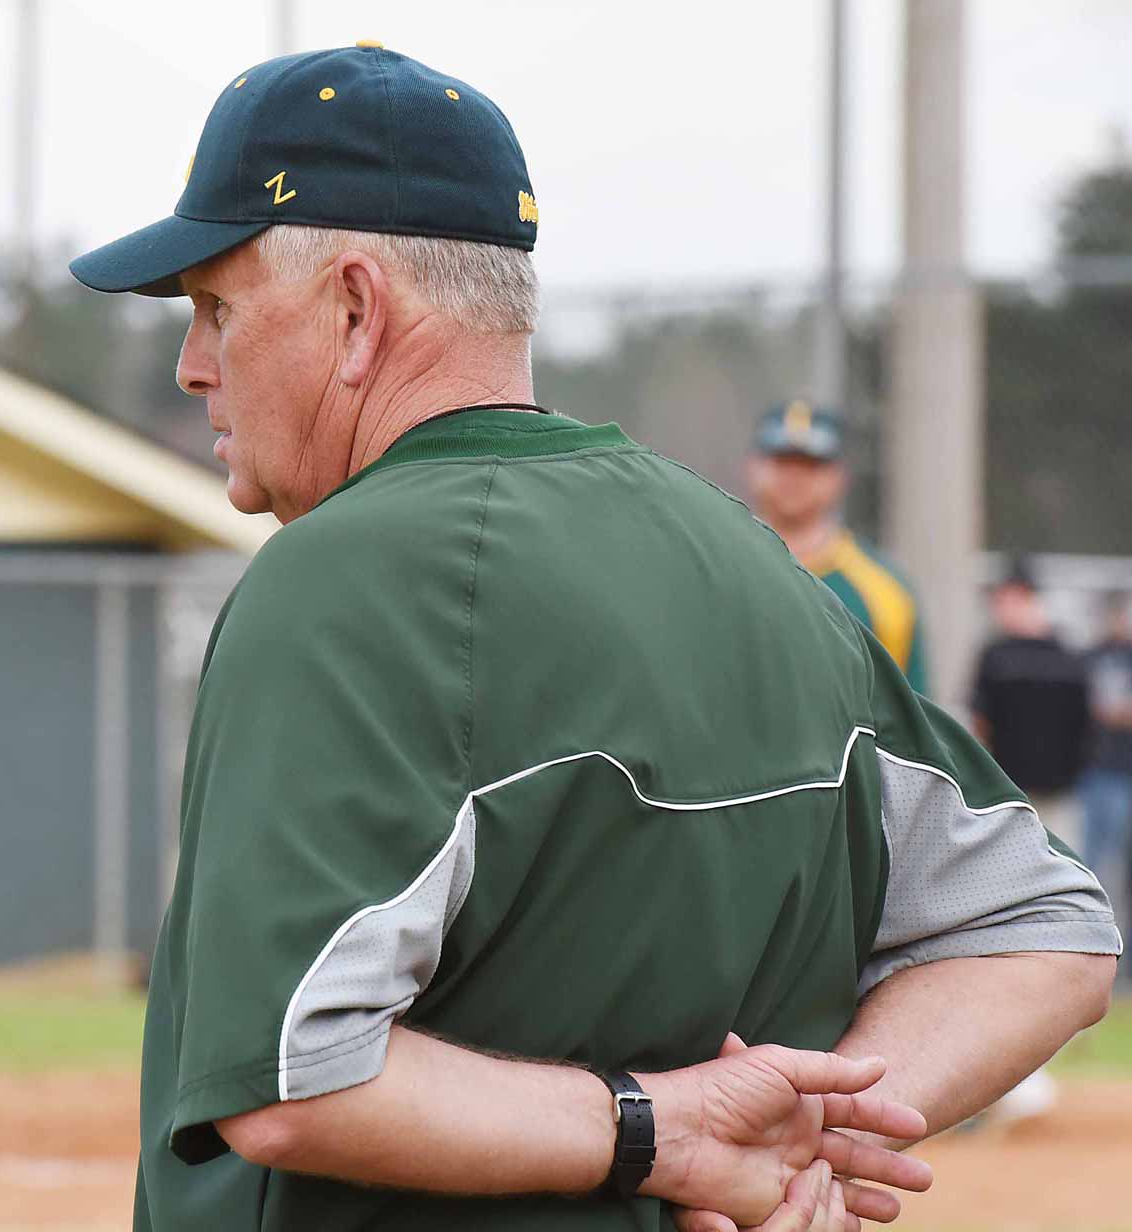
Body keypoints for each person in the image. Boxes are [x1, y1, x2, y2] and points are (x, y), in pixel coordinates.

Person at [70, 44, 1119, 1232]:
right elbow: (1050, 929)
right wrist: (808, 1143)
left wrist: (659, 1129)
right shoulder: (756, 567)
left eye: (217, 308)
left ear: (357, 310)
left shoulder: (333, 584)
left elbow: (285, 1071)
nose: (192, 365)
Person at [745, 401, 929, 694]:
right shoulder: (717, 567)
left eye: (810, 465)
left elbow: (911, 710)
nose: (794, 477)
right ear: (753, 467)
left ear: (839, 476)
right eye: (782, 462)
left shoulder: (885, 591)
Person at [971, 558, 1090, 853]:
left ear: (1021, 595)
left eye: (1003, 600)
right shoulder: (997, 655)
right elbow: (980, 720)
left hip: (1056, 794)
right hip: (1009, 794)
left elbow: (1083, 723)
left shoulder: (1065, 657)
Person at [1081, 591, 1132, 981]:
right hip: (1097, 774)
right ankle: (1095, 955)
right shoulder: (1091, 658)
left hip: (1124, 772)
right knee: (1093, 867)